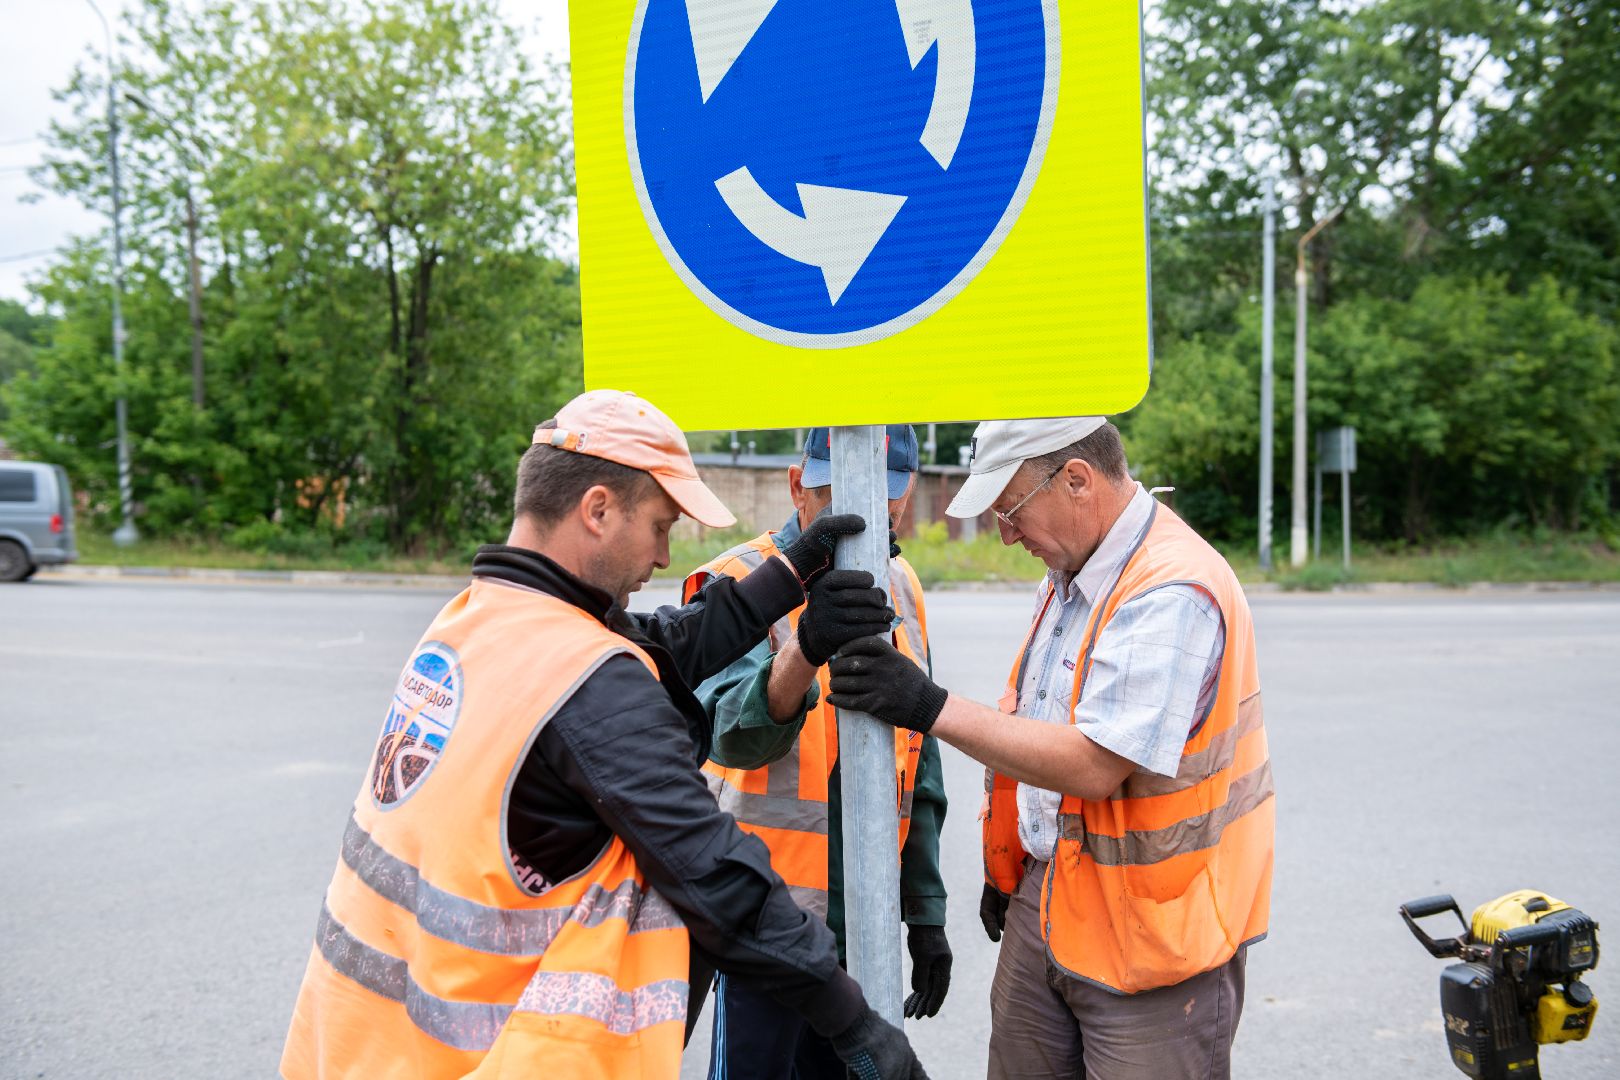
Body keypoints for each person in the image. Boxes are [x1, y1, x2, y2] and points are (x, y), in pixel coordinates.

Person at [280, 390, 929, 1080]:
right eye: (658, 525)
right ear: (597, 510)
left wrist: (791, 576)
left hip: (362, 1041)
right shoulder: (585, 683)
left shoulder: (477, 620)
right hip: (488, 1056)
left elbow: (656, 643)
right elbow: (716, 876)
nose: (664, 553)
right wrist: (856, 1026)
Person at [826, 417, 1274, 1080]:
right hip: (1051, 895)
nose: (1005, 533)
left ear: (1076, 479)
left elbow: (1094, 764)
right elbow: (1035, 725)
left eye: (1010, 509)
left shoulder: (1170, 590)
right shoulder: (1074, 570)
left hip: (1155, 934)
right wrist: (1012, 870)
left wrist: (928, 706)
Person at [682, 427, 951, 1080]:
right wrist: (804, 647)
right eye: (840, 510)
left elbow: (918, 758)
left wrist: (924, 913)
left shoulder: (901, 585)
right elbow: (727, 733)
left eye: (883, 514)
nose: (863, 536)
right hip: (763, 928)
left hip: (863, 931)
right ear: (798, 486)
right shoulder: (736, 582)